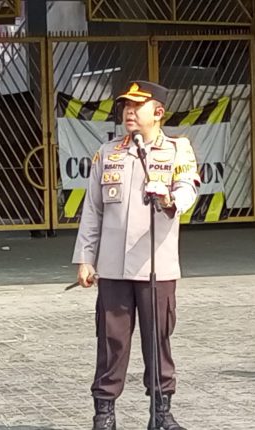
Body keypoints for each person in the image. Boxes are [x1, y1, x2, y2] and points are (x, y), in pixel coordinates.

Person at [72, 81, 201, 430]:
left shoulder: (176, 150)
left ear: (158, 112)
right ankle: (104, 413)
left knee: (158, 339)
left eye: (136, 106)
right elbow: (92, 211)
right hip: (113, 267)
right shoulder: (107, 153)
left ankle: (161, 413)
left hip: (156, 265)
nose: (128, 112)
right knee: (111, 341)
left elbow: (188, 187)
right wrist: (85, 258)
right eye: (125, 106)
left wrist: (171, 199)